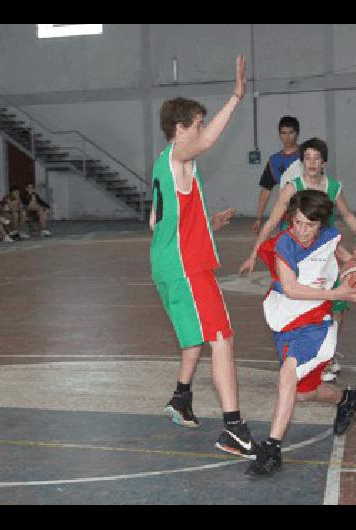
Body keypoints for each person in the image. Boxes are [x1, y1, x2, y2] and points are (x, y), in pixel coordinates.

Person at [151, 54, 254, 458]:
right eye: (196, 124)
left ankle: (180, 397)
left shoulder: (165, 165)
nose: (201, 131)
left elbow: (156, 222)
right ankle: (234, 429)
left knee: (194, 337)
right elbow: (209, 141)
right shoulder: (179, 157)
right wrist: (236, 96)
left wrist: (203, 223)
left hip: (171, 264)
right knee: (222, 338)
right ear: (181, 129)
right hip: (185, 267)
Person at [246, 190, 356, 478]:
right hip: (286, 315)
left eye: (309, 225)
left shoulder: (329, 237)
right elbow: (291, 289)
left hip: (315, 321)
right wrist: (336, 291)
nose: (302, 230)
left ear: (321, 225)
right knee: (302, 394)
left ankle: (272, 449)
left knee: (287, 375)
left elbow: (346, 259)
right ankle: (345, 399)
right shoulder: (284, 244)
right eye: (297, 222)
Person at [240, 137, 356, 382]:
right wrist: (254, 252)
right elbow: (272, 221)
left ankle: (327, 355)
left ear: (324, 162)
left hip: (325, 253)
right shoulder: (292, 187)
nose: (311, 162)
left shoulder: (332, 187)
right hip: (297, 254)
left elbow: (349, 216)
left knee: (338, 306)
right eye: (307, 158)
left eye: (316, 158)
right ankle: (297, 353)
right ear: (302, 162)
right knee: (299, 301)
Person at [252, 116, 302, 235]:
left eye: (291, 132)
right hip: (286, 214)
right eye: (283, 133)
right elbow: (266, 190)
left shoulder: (307, 156)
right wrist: (258, 218)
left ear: (297, 133)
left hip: (309, 211)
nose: (287, 137)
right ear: (279, 135)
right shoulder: (274, 161)